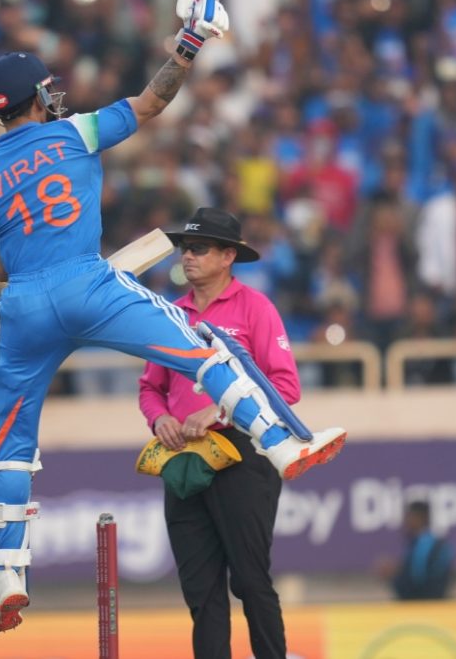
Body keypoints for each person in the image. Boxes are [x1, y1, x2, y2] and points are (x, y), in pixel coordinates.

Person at [0, 0, 347, 635]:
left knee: (5, 441)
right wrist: (190, 42)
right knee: (200, 346)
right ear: (36, 99)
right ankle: (283, 443)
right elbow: (152, 102)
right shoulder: (73, 131)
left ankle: (5, 574)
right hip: (90, 282)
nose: (55, 94)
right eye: (47, 89)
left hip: (24, 304)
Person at [138, 207, 304, 659]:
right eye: (184, 249)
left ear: (228, 255)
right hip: (185, 460)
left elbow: (287, 388)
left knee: (250, 581)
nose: (187, 257)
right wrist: (160, 420)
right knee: (202, 593)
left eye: (198, 249)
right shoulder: (171, 315)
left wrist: (220, 410)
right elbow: (151, 388)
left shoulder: (256, 309)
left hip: (244, 457)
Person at [376, 500, 456, 601]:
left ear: (422, 518)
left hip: (426, 607)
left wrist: (394, 577)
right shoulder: (418, 543)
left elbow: (418, 585)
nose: (406, 521)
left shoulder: (427, 545)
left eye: (410, 516)